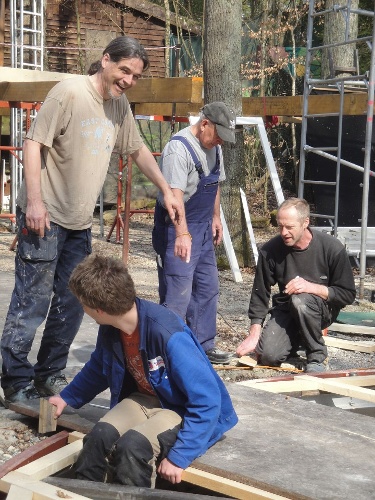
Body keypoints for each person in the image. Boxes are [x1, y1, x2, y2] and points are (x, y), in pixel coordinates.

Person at [1, 36, 183, 406]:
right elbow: (34, 143)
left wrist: (165, 188)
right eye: (124, 70)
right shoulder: (68, 92)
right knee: (31, 302)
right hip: (45, 215)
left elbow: (136, 148)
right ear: (106, 61)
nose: (128, 80)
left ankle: (48, 373)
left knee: (73, 302)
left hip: (79, 222)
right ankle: (14, 380)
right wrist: (33, 202)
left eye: (135, 76)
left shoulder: (119, 106)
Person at [49, 254, 238, 487]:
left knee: (133, 447)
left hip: (179, 407)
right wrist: (66, 397)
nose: (82, 307)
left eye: (82, 303)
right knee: (98, 439)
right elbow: (99, 367)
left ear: (98, 310)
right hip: (143, 399)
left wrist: (180, 457)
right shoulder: (111, 326)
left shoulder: (168, 335)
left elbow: (208, 401)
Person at [152, 102, 236, 365]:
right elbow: (174, 198)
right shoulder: (179, 149)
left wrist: (215, 218)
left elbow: (215, 183)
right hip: (177, 225)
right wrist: (182, 234)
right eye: (218, 134)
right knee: (178, 292)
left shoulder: (215, 147)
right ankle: (169, 351)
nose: (219, 141)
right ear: (205, 124)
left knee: (207, 287)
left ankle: (203, 346)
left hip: (202, 226)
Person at [236, 197, 356, 372]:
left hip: (321, 309)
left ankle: (317, 356)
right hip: (286, 309)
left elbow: (347, 294)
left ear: (305, 222)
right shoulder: (270, 250)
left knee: (300, 300)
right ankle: (295, 341)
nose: (284, 232)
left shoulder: (332, 248)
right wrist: (254, 334)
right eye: (280, 226)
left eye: (289, 227)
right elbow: (260, 294)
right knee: (269, 356)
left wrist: (312, 287)